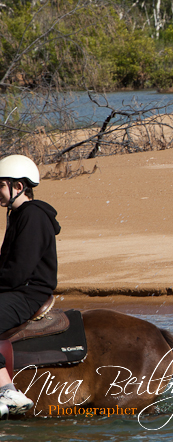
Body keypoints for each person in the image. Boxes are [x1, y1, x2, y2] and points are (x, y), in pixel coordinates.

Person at [0, 155, 60, 414]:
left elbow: (17, 272)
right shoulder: (18, 215)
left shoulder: (33, 217)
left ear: (18, 187)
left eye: (0, 185)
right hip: (16, 289)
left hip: (27, 293)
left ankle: (7, 392)